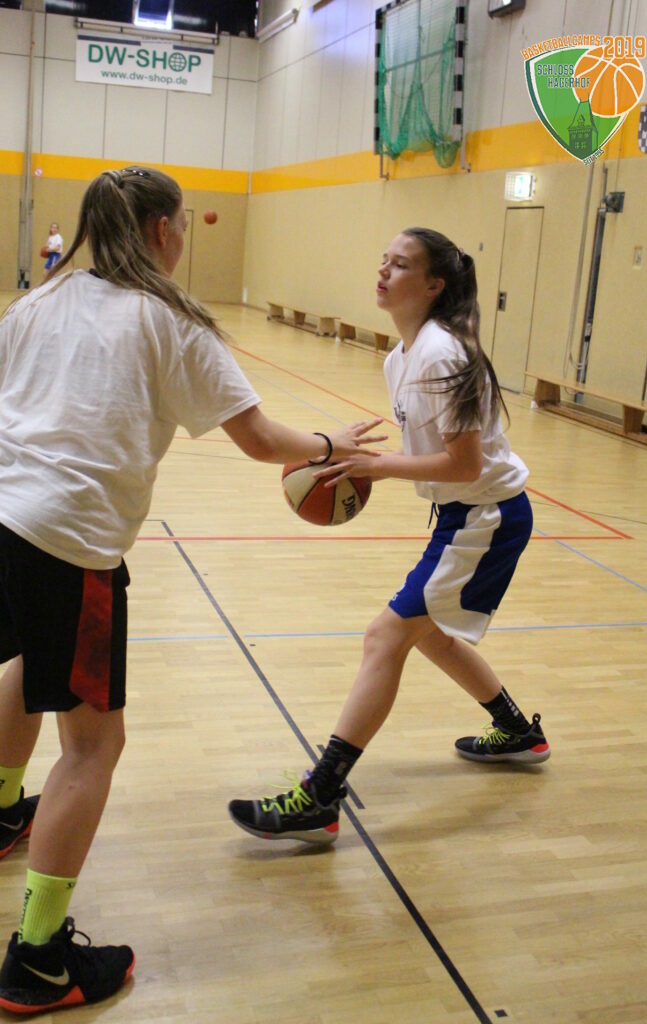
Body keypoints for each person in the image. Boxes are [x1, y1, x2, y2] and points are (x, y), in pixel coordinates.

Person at [0, 165, 385, 1014]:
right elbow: (259, 439)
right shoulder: (169, 317)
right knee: (92, 747)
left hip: (6, 517)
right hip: (69, 538)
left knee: (26, 662)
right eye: (183, 225)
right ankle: (37, 961)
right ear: (164, 230)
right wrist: (329, 443)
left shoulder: (37, 300)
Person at [229, 227, 550, 847]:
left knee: (386, 636)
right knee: (428, 637)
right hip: (465, 516)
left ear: (433, 285)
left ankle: (320, 797)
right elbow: (442, 455)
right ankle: (516, 730)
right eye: (384, 261)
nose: (383, 271)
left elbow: (465, 465)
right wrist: (347, 451)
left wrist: (377, 467)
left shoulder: (442, 355)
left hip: (486, 517)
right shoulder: (401, 357)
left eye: (400, 265)